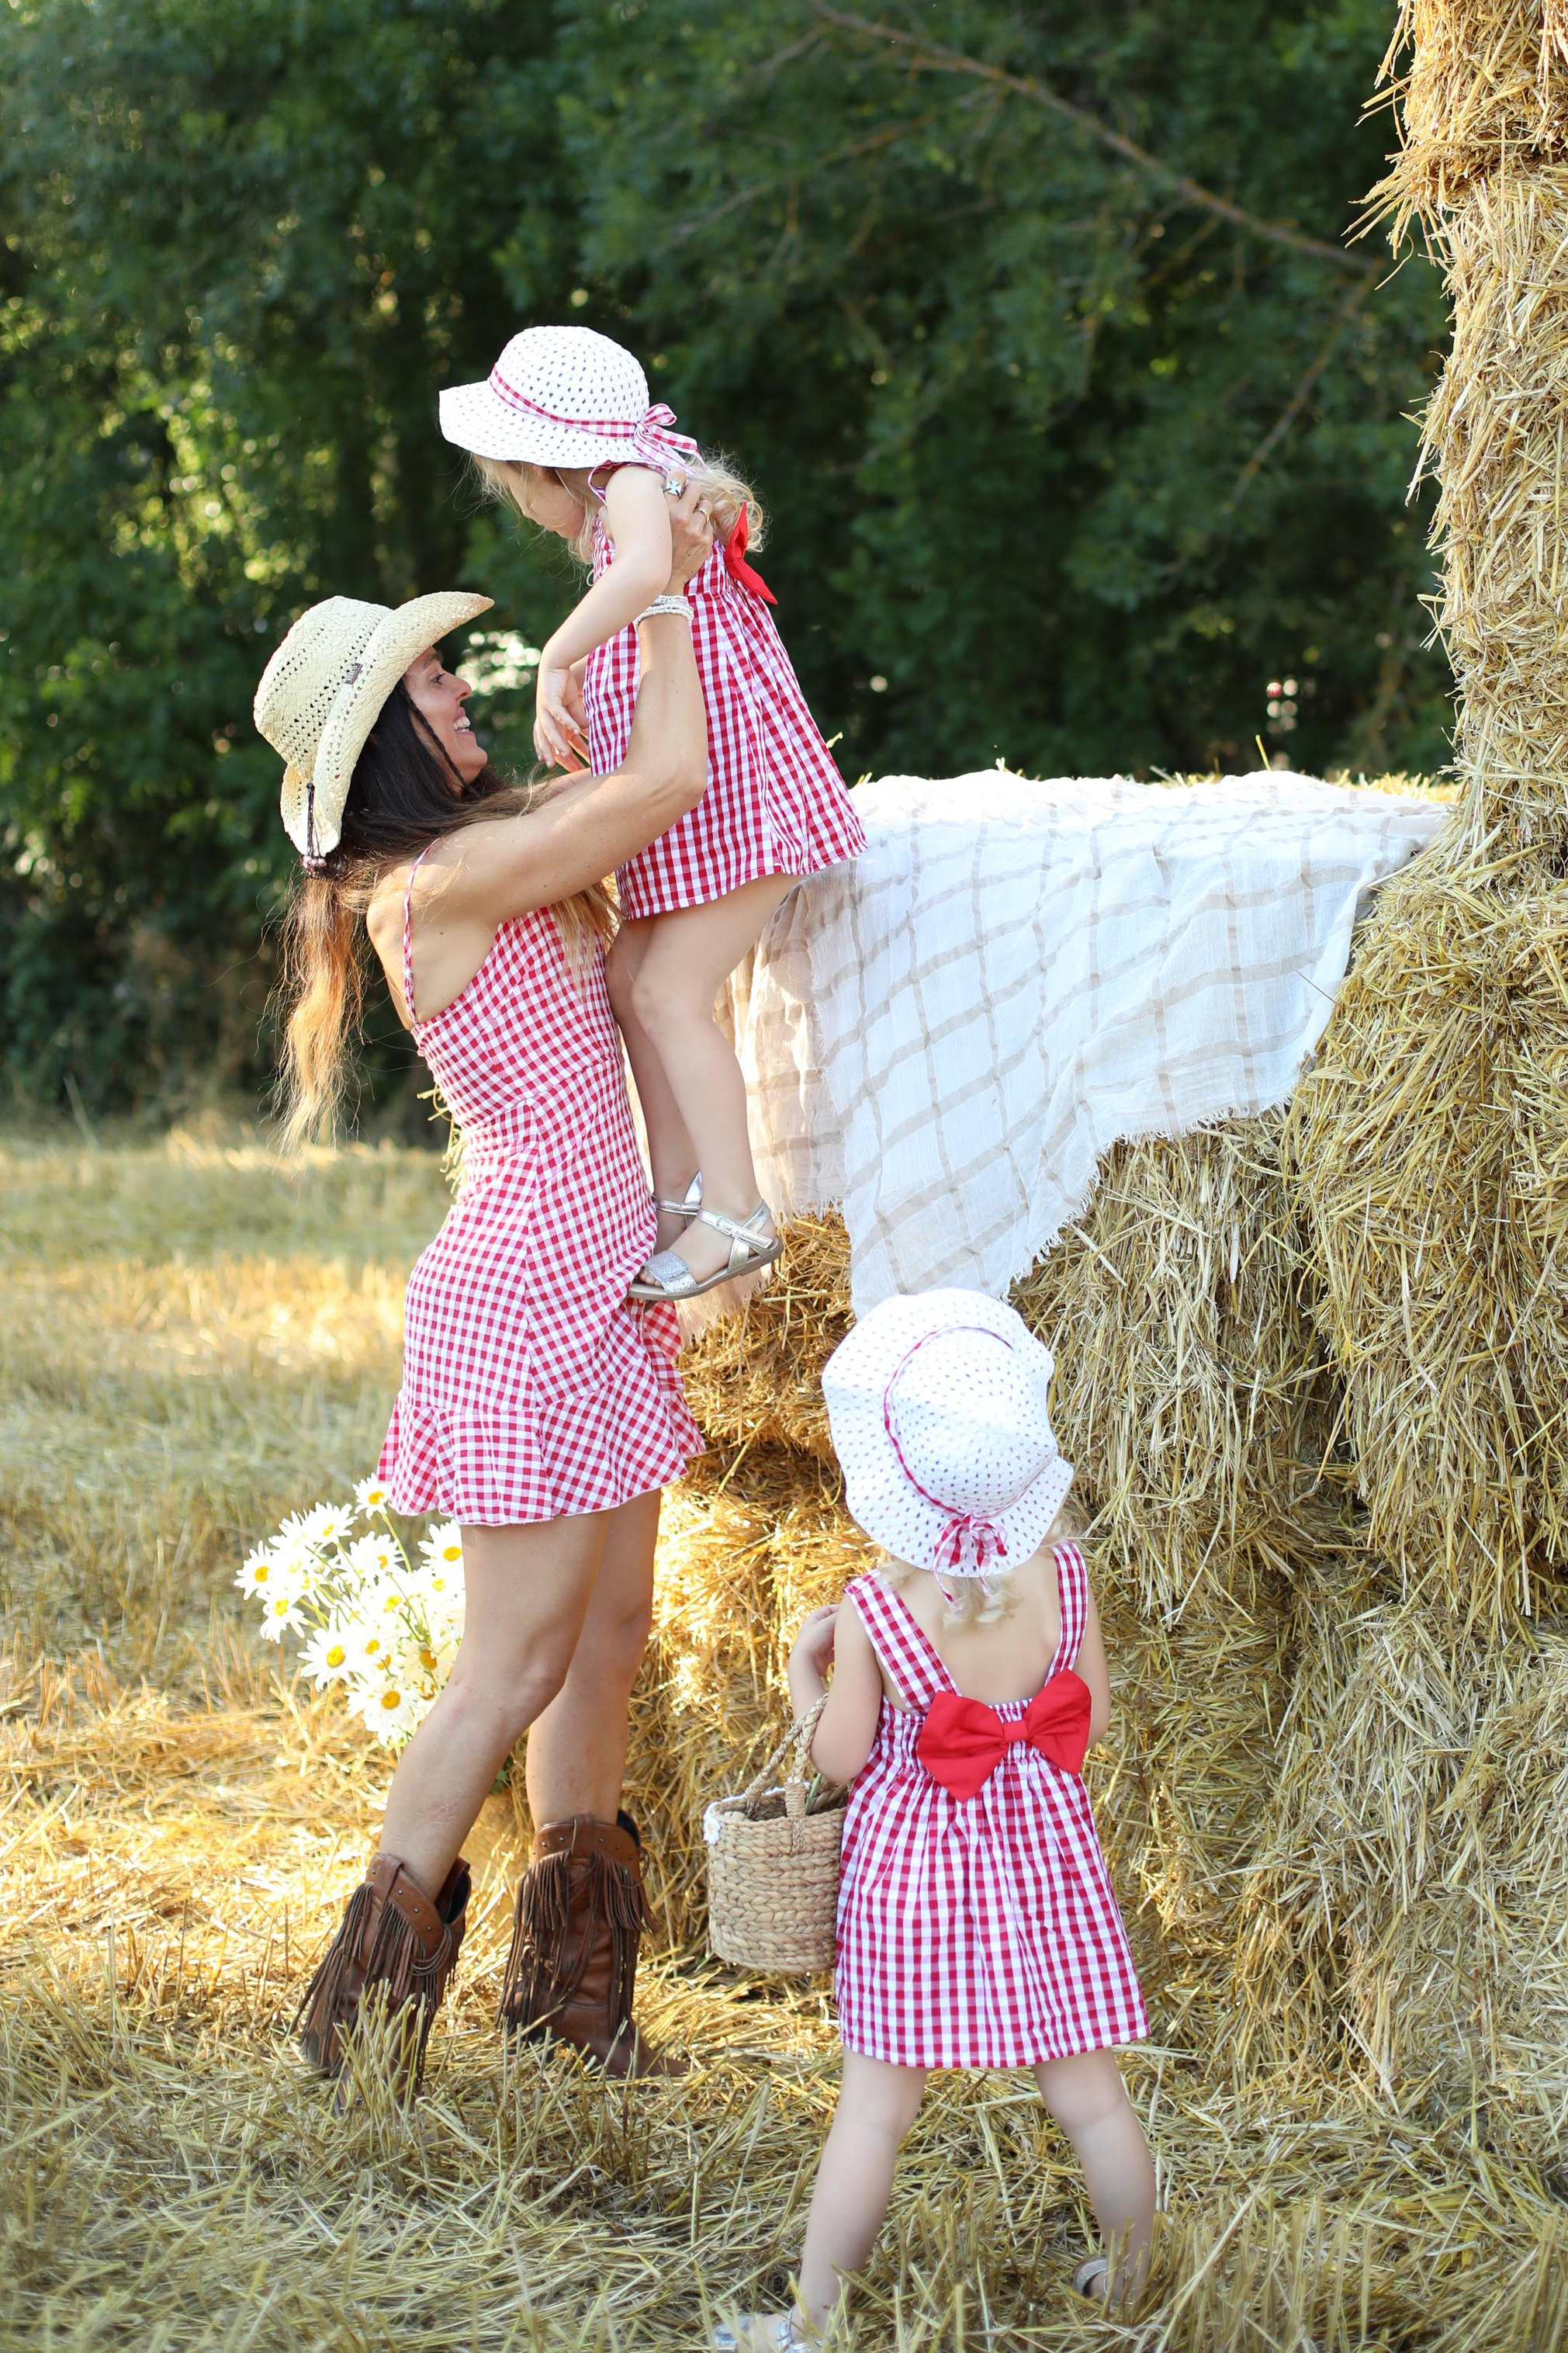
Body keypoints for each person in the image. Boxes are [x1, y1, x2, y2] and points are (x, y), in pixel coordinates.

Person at [252, 487, 714, 2091]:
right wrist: (655, 588)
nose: (460, 689)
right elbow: (667, 779)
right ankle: (360, 2030)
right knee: (510, 1666)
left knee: (609, 1643)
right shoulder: (429, 893)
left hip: (596, 1285)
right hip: (525, 1301)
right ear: (384, 738)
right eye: (434, 685)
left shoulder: (478, 860)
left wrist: (611, 633)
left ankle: (572, 2004)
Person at [717, 1291, 1157, 2351]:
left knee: (875, 2109)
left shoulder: (875, 1612)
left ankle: (814, 2321)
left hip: (916, 1886)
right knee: (1091, 2096)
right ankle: (1140, 2277)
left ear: (896, 1474)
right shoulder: (1068, 1580)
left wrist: (802, 1673)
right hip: (1046, 1869)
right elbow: (1080, 1725)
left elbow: (841, 1759)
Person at [437, 326, 865, 1307]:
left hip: (747, 801)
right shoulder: (637, 483)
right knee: (633, 977)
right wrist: (592, 666)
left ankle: (736, 1213)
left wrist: (555, 654)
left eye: (516, 491)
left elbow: (639, 579)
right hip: (714, 804)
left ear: (552, 465)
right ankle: (672, 1204)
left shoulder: (626, 477)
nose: (528, 513)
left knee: (669, 990)